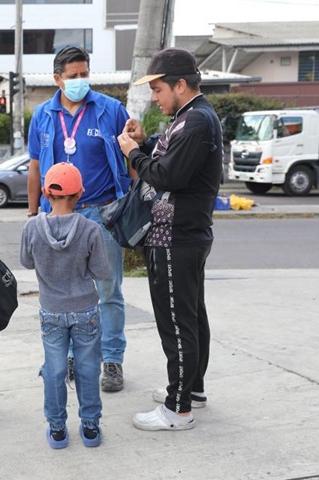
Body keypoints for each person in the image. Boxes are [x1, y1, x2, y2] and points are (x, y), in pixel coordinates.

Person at [117, 48, 223, 431]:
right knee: (191, 317)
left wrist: (132, 154)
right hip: (182, 235)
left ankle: (178, 410)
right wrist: (145, 144)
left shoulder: (195, 122)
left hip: (176, 237)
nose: (154, 98)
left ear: (181, 84)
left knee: (177, 322)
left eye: (159, 89)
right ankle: (190, 390)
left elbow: (167, 177)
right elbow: (169, 161)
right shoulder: (189, 118)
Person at [27, 45, 133, 393]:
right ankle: (72, 356)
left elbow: (130, 153)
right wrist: (33, 215)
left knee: (108, 290)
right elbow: (36, 167)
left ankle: (112, 360)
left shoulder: (110, 109)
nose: (79, 81)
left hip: (101, 213)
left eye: (84, 74)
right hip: (59, 216)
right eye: (72, 76)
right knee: (66, 293)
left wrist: (130, 202)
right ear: (57, 79)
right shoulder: (42, 115)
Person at [20, 162, 111, 449]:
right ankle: (91, 427)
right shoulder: (91, 229)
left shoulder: (32, 227)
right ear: (80, 194)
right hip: (86, 310)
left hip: (52, 310)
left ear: (46, 193)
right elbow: (102, 272)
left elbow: (26, 262)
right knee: (87, 368)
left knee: (55, 368)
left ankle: (57, 428)